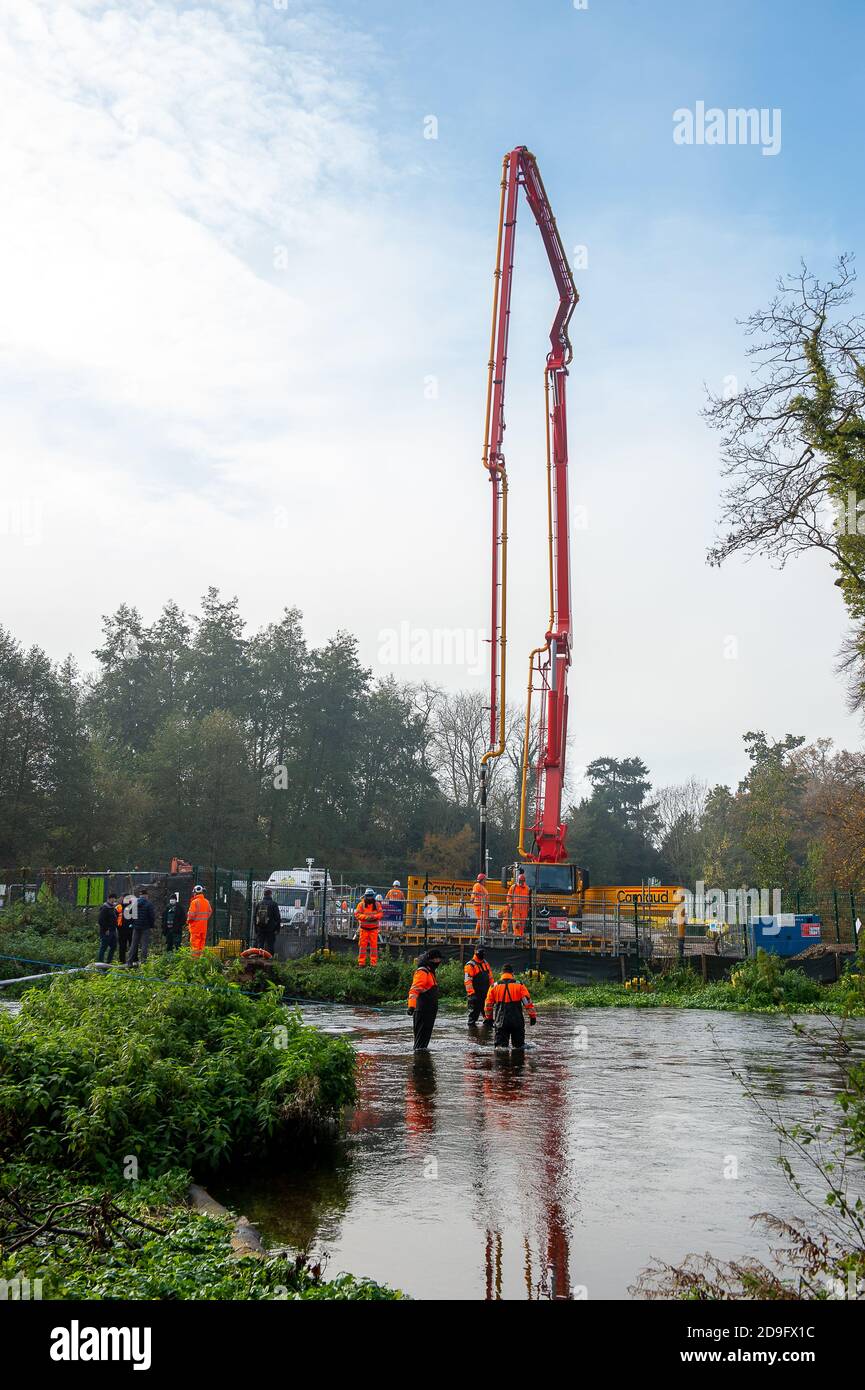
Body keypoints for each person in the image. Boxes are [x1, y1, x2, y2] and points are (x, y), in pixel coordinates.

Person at [484, 963, 537, 1050]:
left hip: (500, 1022)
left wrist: (489, 1018)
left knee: (500, 1049)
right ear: (512, 973)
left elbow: (488, 1005)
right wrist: (532, 1016)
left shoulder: (493, 986)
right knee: (519, 1048)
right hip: (517, 1022)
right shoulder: (520, 985)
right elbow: (527, 1003)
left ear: (502, 973)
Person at [407, 949, 444, 1051]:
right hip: (423, 1011)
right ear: (431, 960)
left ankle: (421, 1061)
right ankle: (419, 1064)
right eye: (437, 959)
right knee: (420, 1044)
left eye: (439, 959)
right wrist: (411, 1006)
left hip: (429, 1012)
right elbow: (414, 990)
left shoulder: (430, 972)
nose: (438, 962)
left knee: (423, 1044)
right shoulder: (423, 972)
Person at [464, 946, 494, 1026]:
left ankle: (487, 1034)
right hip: (475, 995)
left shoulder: (485, 963)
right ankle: (472, 1035)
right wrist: (471, 994)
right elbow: (468, 981)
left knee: (488, 1017)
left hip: (486, 993)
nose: (482, 954)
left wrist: (492, 990)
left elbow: (490, 977)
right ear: (475, 952)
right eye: (480, 952)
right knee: (473, 1017)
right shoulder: (470, 965)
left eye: (483, 953)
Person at [355, 887, 383, 967]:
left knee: (374, 947)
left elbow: (381, 914)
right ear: (365, 896)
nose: (370, 897)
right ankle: (361, 963)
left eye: (371, 896)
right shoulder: (361, 904)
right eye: (368, 896)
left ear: (373, 896)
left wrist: (374, 917)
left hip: (373, 929)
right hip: (364, 929)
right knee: (362, 947)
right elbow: (357, 914)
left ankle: (373, 964)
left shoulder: (377, 904)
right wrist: (366, 917)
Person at [128, 886, 155, 966]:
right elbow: (151, 916)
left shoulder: (135, 903)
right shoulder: (149, 904)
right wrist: (151, 925)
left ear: (140, 895)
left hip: (136, 927)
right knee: (144, 945)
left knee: (133, 944)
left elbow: (130, 913)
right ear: (146, 895)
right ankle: (143, 963)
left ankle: (129, 962)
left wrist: (133, 923)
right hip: (145, 927)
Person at [187, 883, 213, 957]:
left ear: (195, 893)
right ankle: (201, 959)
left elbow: (191, 915)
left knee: (195, 945)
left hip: (195, 928)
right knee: (202, 944)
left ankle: (195, 961)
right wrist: (204, 919)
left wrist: (188, 921)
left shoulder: (194, 902)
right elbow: (210, 911)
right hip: (203, 927)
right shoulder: (206, 902)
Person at [253, 888, 281, 955]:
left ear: (264, 895)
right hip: (271, 929)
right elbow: (277, 917)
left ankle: (259, 960)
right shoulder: (274, 904)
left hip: (260, 928)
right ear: (270, 895)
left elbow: (254, 917)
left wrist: (256, 929)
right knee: (270, 945)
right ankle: (270, 959)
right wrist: (277, 929)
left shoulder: (259, 904)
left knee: (260, 945)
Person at [507, 870, 530, 937]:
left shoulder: (527, 889)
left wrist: (529, 907)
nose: (521, 883)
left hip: (524, 910)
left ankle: (520, 936)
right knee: (516, 924)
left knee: (522, 924)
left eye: (522, 881)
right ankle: (517, 936)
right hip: (515, 909)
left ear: (524, 881)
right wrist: (510, 903)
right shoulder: (513, 887)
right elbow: (509, 896)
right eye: (520, 881)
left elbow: (529, 899)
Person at [98, 892, 118, 964]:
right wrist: (106, 929)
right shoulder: (105, 908)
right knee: (103, 947)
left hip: (113, 931)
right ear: (109, 899)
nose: (113, 900)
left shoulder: (112, 908)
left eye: (114, 899)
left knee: (114, 946)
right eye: (112, 899)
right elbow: (100, 920)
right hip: (106, 931)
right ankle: (100, 963)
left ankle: (108, 962)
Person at [118, 890, 137, 965]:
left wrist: (132, 924)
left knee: (132, 945)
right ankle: (121, 961)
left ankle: (134, 959)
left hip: (130, 929)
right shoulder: (119, 906)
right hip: (121, 929)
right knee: (122, 946)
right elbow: (116, 917)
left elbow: (135, 917)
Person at [471, 873, 490, 937]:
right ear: (482, 880)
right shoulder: (477, 885)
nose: (485, 881)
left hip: (483, 907)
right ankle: (482, 935)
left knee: (482, 921)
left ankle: (478, 934)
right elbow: (474, 893)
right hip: (479, 906)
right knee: (482, 921)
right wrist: (472, 898)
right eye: (485, 880)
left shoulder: (482, 887)